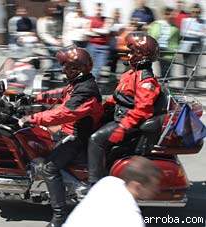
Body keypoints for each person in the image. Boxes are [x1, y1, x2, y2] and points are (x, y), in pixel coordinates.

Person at [18, 47, 103, 227]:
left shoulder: (86, 91)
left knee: (49, 168)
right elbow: (60, 94)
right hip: (68, 130)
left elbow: (64, 113)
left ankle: (59, 216)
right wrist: (33, 98)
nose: (63, 69)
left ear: (76, 69)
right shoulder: (79, 84)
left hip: (76, 137)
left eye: (66, 66)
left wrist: (32, 118)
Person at [86, 32, 162, 186]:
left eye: (133, 51)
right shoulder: (130, 73)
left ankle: (94, 184)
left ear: (142, 55)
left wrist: (122, 128)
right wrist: (99, 109)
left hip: (127, 121)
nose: (129, 54)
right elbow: (118, 96)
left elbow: (142, 110)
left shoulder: (145, 80)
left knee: (96, 140)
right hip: (119, 115)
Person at [63, 156, 162, 227]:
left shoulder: (108, 182)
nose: (157, 190)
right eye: (153, 186)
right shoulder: (132, 220)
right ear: (137, 186)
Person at [148, 7, 180, 78]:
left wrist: (175, 48)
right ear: (163, 15)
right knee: (155, 74)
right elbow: (150, 36)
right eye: (167, 14)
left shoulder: (176, 28)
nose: (169, 16)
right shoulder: (156, 25)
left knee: (166, 75)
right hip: (155, 52)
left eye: (171, 14)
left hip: (168, 54)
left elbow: (178, 40)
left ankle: (165, 87)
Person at [180, 3, 205, 81]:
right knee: (185, 65)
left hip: (197, 45)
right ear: (190, 12)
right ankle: (184, 84)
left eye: (197, 12)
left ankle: (194, 85)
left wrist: (192, 32)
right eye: (193, 11)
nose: (195, 14)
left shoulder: (203, 21)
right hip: (187, 45)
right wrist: (198, 33)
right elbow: (183, 32)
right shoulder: (185, 20)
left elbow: (204, 34)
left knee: (195, 67)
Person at [86, 3, 112, 78]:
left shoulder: (106, 19)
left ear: (102, 10)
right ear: (94, 10)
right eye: (97, 9)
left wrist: (93, 30)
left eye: (100, 9)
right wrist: (100, 31)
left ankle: (93, 84)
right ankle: (90, 84)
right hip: (92, 46)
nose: (99, 11)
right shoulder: (90, 19)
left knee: (99, 67)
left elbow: (106, 31)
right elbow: (87, 32)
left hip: (103, 47)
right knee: (90, 67)